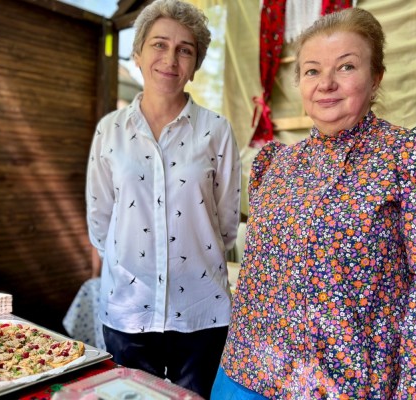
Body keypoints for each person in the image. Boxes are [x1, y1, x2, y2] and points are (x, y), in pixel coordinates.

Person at [212, 7, 416, 400]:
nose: (325, 83)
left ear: (376, 77)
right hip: (246, 374)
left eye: (345, 67)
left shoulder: (411, 157)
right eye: (311, 70)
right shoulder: (275, 164)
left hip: (347, 386)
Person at [85, 0, 241, 397]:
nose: (170, 59)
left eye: (185, 49)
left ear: (195, 64)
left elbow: (224, 224)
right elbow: (100, 218)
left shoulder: (216, 131)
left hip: (201, 312)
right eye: (159, 45)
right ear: (137, 54)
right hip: (128, 311)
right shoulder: (110, 131)